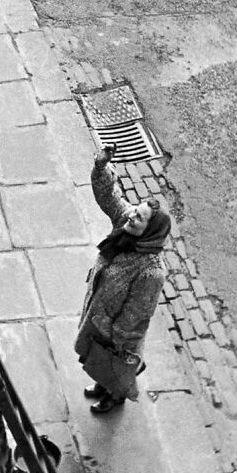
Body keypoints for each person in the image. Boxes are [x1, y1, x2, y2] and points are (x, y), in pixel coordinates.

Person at [75, 143, 171, 414]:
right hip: (100, 315)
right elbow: (109, 196)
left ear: (150, 231)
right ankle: (102, 383)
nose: (131, 216)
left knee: (114, 366)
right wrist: (101, 167)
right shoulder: (126, 226)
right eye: (135, 211)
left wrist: (116, 339)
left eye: (139, 218)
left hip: (116, 333)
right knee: (97, 360)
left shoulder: (151, 271)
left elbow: (136, 313)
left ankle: (115, 396)